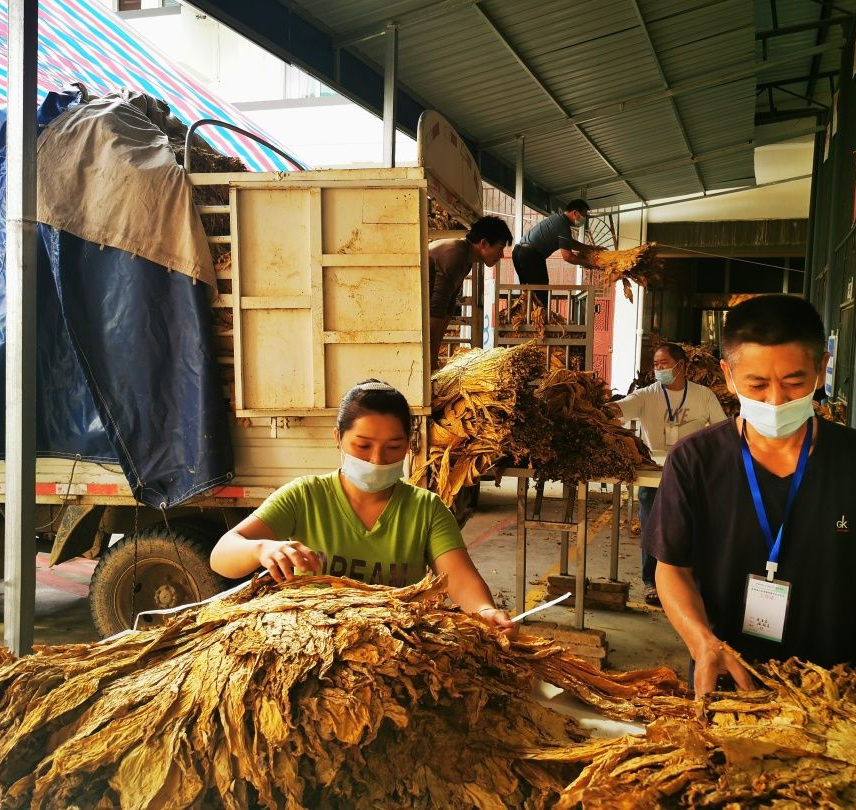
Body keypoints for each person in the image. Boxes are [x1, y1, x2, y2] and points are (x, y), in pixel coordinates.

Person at [646, 295, 856, 753]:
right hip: (729, 684)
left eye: (795, 382)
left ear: (822, 369)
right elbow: (671, 569)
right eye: (756, 384)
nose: (775, 400)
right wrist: (701, 641)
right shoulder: (694, 461)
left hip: (838, 693)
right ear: (728, 377)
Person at [210, 380, 517, 637]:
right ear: (337, 438)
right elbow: (222, 556)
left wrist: (486, 612)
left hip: (397, 650)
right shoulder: (304, 496)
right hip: (311, 647)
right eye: (363, 446)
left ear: (409, 447)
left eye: (393, 448)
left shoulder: (426, 509)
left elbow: (461, 581)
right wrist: (261, 549)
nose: (376, 459)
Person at [614, 342, 727, 606]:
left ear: (681, 366)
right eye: (655, 364)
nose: (658, 369)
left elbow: (722, 429)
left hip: (691, 471)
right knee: (652, 527)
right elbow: (621, 408)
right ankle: (651, 582)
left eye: (663, 363)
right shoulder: (647, 394)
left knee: (692, 526)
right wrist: (598, 407)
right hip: (652, 472)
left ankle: (691, 580)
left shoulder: (703, 395)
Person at [428, 216, 513, 367]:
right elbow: (436, 308)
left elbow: (448, 307)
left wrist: (433, 354)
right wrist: (431, 357)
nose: (501, 255)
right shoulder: (455, 254)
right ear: (484, 243)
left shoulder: (466, 258)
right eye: (500, 248)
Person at [511, 199, 602, 295]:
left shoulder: (558, 219)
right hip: (530, 256)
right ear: (575, 213)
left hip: (519, 252)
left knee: (528, 294)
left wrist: (592, 248)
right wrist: (590, 263)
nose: (584, 219)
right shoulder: (563, 225)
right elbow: (568, 256)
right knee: (540, 294)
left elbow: (570, 243)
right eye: (583, 216)